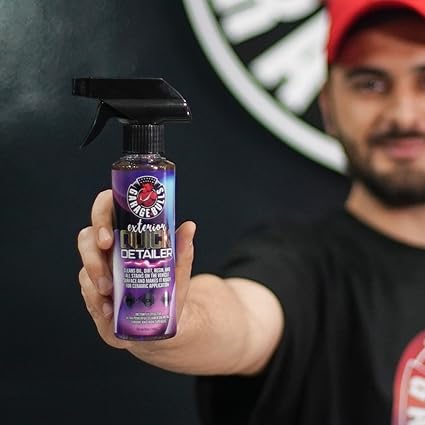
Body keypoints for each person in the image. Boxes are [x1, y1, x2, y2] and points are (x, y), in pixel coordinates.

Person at [77, 0, 425, 423]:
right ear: (329, 106)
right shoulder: (300, 265)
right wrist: (168, 317)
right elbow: (242, 318)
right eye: (369, 83)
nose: (404, 114)